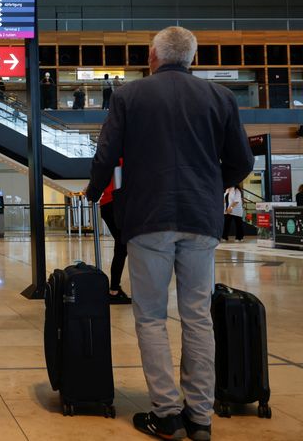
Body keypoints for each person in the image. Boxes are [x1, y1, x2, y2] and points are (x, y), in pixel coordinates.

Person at [85, 26, 253, 440]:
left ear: (152, 56)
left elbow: (106, 154)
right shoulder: (221, 97)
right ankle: (200, 417)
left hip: (148, 218)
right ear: (191, 59)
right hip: (200, 219)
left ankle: (167, 412)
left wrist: (93, 192)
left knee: (152, 316)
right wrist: (214, 185)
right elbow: (242, 161)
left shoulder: (129, 96)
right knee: (197, 317)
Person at [99, 160, 130, 304]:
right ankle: (114, 289)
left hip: (108, 204)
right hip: (116, 203)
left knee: (122, 246)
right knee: (123, 246)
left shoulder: (114, 155)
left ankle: (114, 289)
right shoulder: (125, 156)